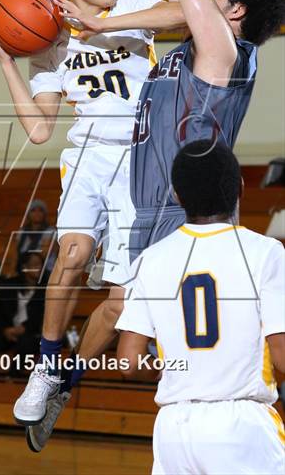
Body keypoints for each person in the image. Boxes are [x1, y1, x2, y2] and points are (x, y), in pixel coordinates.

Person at [26, 0, 285, 451]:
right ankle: (61, 382)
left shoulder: (219, 47)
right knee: (122, 316)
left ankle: (234, 407)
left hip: (180, 205)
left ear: (233, 10)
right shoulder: (204, 38)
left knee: (138, 325)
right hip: (153, 201)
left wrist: (100, 23)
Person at [0, 0, 186, 426]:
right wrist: (7, 62)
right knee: (72, 256)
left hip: (143, 161)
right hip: (90, 158)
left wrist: (103, 24)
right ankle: (47, 366)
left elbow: (184, 15)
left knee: (120, 306)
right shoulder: (50, 41)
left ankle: (67, 382)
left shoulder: (132, 5)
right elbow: (38, 130)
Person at [116, 140, 285, 475]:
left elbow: (129, 361)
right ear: (239, 188)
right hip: (242, 425)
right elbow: (281, 356)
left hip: (174, 428)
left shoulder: (151, 259)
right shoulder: (266, 252)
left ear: (177, 195)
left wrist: (173, 373)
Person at [0, 252, 47, 373]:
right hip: (8, 330)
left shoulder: (45, 289)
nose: (39, 268)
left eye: (41, 265)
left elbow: (42, 316)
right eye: (35, 265)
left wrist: (24, 328)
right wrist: (5, 329)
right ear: (24, 267)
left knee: (25, 346)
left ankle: (14, 381)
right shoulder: (10, 285)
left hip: (31, 333)